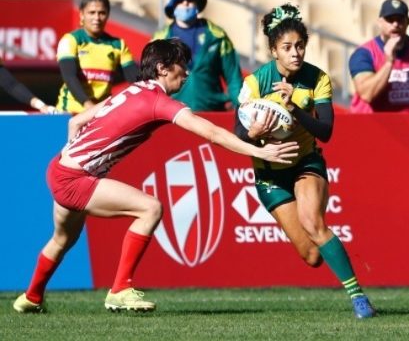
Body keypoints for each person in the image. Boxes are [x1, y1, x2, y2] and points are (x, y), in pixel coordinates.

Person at [12, 39, 299, 314]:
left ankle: (31, 297)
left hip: (59, 168)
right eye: (181, 66)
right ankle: (120, 290)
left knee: (62, 239)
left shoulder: (129, 90)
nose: (186, 73)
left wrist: (74, 157)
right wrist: (261, 153)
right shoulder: (157, 101)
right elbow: (211, 133)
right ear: (162, 68)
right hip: (74, 179)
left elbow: (76, 121)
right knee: (151, 208)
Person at [235, 4, 376, 319]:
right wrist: (254, 134)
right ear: (273, 51)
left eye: (299, 46)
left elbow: (325, 131)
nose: (295, 52)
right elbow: (238, 134)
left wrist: (294, 108)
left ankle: (359, 299)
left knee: (314, 222)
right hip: (270, 175)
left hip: (305, 163)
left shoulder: (317, 79)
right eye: (287, 47)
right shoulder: (255, 83)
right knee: (311, 255)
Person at [153, 0, 243, 112]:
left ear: (197, 4)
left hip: (212, 114)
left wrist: (242, 107)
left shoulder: (217, 36)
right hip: (173, 116)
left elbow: (234, 78)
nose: (186, 3)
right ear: (173, 7)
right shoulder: (159, 40)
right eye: (180, 0)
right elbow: (151, 81)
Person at [56, 0, 138, 114]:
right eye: (92, 13)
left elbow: (136, 79)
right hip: (70, 112)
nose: (97, 18)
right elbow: (69, 77)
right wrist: (88, 105)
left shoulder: (118, 44)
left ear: (108, 15)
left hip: (100, 114)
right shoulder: (70, 40)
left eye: (102, 13)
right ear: (82, 14)